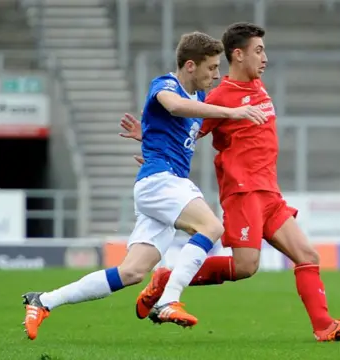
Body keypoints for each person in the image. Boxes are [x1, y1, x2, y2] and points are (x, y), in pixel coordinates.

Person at [119, 22, 340, 342]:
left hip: (270, 193)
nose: (264, 58)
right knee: (244, 267)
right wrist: (151, 142)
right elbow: (187, 132)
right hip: (243, 192)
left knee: (307, 255)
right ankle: (167, 279)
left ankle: (324, 327)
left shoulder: (258, 87)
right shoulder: (220, 97)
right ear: (238, 55)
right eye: (258, 51)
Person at [21, 31, 267, 340]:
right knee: (211, 228)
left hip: (162, 185)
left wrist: (147, 134)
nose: (216, 75)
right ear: (190, 66)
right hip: (161, 182)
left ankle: (43, 301)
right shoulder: (165, 85)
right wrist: (232, 111)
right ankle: (168, 300)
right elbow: (173, 106)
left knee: (132, 272)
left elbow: (176, 126)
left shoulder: (199, 99)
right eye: (211, 68)